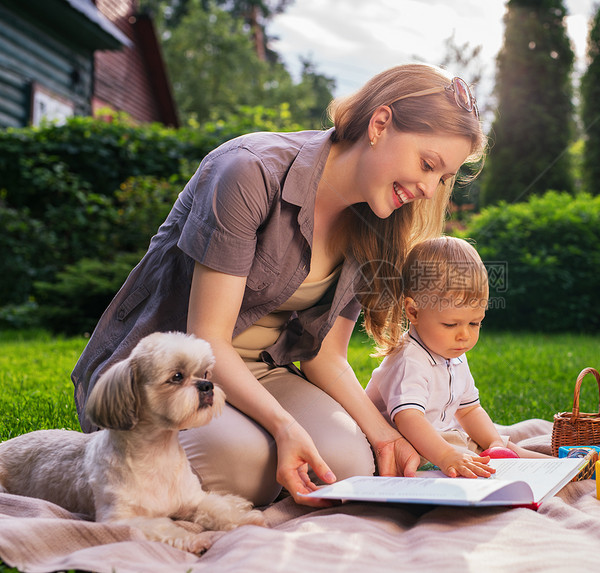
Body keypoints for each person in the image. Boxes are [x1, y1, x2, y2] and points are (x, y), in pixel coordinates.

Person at [70, 63, 486, 507]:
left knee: (350, 463)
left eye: (441, 179)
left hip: (265, 372)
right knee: (242, 467)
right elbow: (207, 338)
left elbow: (326, 356)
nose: (428, 188)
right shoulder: (248, 172)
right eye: (427, 164)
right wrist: (285, 427)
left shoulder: (377, 222)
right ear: (379, 124)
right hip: (177, 375)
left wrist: (385, 437)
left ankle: (264, 450)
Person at [365, 236, 548, 479]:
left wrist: (494, 443)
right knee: (464, 456)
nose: (464, 335)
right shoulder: (409, 359)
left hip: (441, 437)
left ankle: (566, 467)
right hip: (403, 443)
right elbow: (408, 420)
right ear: (413, 311)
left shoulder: (453, 354)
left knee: (502, 446)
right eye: (451, 324)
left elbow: (470, 411)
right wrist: (446, 456)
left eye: (475, 323)